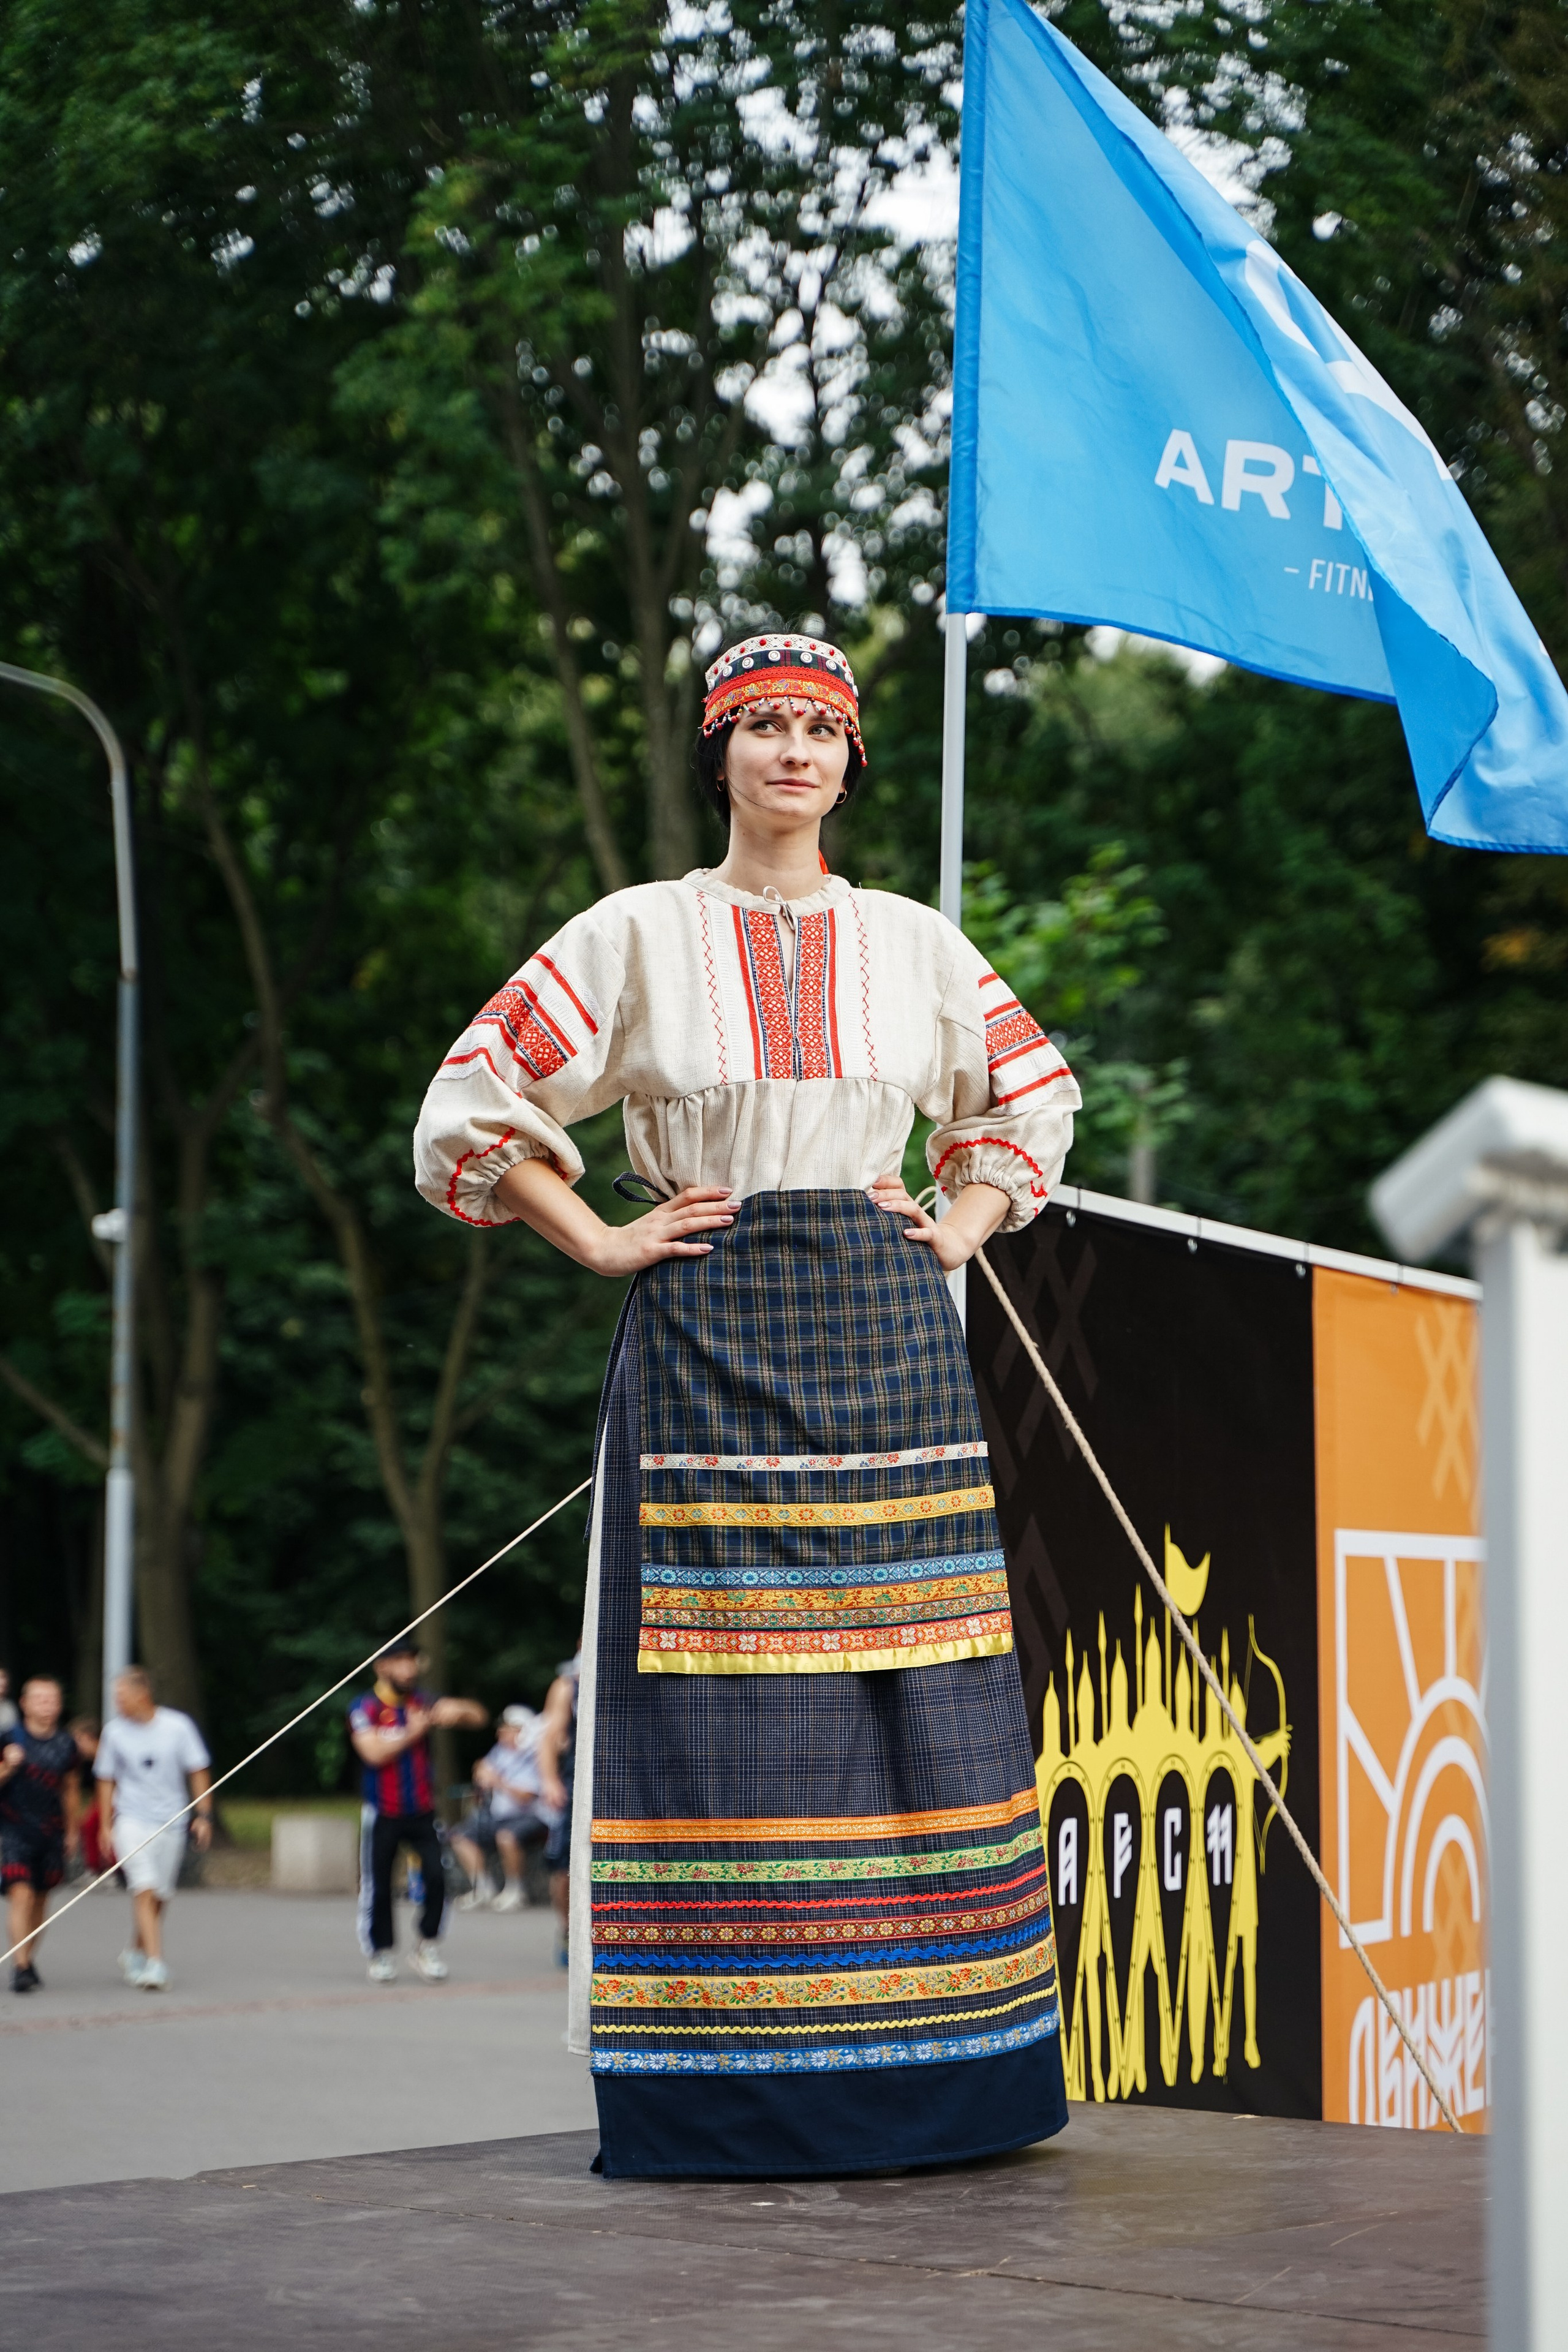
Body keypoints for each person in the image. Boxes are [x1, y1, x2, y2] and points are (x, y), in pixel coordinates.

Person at [414, 631, 1083, 2180]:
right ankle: (722, 2090)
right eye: (760, 725)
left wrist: (959, 1226)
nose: (792, 750)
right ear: (714, 752)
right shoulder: (635, 931)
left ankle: (953, 2074)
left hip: (884, 1315)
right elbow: (469, 1097)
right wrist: (591, 1236)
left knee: (925, 1667)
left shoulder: (915, 940)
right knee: (715, 1689)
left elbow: (1029, 1093)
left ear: (851, 760)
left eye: (818, 728)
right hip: (706, 1311)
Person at [349, 1640, 486, 1984]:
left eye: (413, 1662)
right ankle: (380, 1952)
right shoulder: (364, 1707)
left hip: (423, 1810)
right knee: (377, 1885)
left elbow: (478, 1716)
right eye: (401, 1663)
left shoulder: (423, 1701)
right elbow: (373, 1754)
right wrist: (413, 1731)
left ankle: (426, 1945)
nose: (410, 1670)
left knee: (439, 1880)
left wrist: (459, 1711)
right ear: (382, 1667)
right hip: (382, 1811)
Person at [95, 1667, 212, 1992]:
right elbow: (105, 1780)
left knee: (160, 1896)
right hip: (131, 1820)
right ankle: (156, 1963)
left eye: (122, 1696)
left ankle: (134, 1951)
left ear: (141, 1695)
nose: (117, 1702)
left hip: (172, 1820)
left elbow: (198, 1769)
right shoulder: (114, 1732)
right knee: (144, 1888)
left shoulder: (177, 1726)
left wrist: (204, 1815)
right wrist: (106, 1825)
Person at [0, 1676, 81, 1992]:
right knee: (21, 1895)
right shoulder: (9, 1739)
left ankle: (27, 1958)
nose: (47, 1706)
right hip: (14, 1829)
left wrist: (72, 1830)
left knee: (41, 1901)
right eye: (40, 1699)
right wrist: (7, 1768)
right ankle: (20, 1966)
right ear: (25, 1704)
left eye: (53, 1699)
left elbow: (71, 1790)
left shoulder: (67, 1745)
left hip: (51, 1831)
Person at [452, 1705, 555, 1913]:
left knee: (506, 1836)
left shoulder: (535, 1754)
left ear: (521, 1731)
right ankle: (482, 1887)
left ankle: (516, 1890)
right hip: (500, 1814)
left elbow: (527, 1796)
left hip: (531, 1814)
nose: (500, 1733)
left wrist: (498, 1782)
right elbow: (483, 1768)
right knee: (461, 1836)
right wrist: (480, 1770)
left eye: (506, 1728)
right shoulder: (500, 1751)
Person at [535, 1654, 578, 1969]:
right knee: (563, 1867)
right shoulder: (568, 1685)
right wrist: (550, 1780)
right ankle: (566, 1929)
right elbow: (549, 1737)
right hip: (576, 1781)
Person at [67, 1719, 111, 1877]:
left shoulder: (106, 1756)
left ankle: (107, 1868)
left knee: (93, 1823)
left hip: (118, 1800)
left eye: (79, 1740)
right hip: (101, 1800)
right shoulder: (84, 1762)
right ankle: (94, 1867)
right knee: (88, 1823)